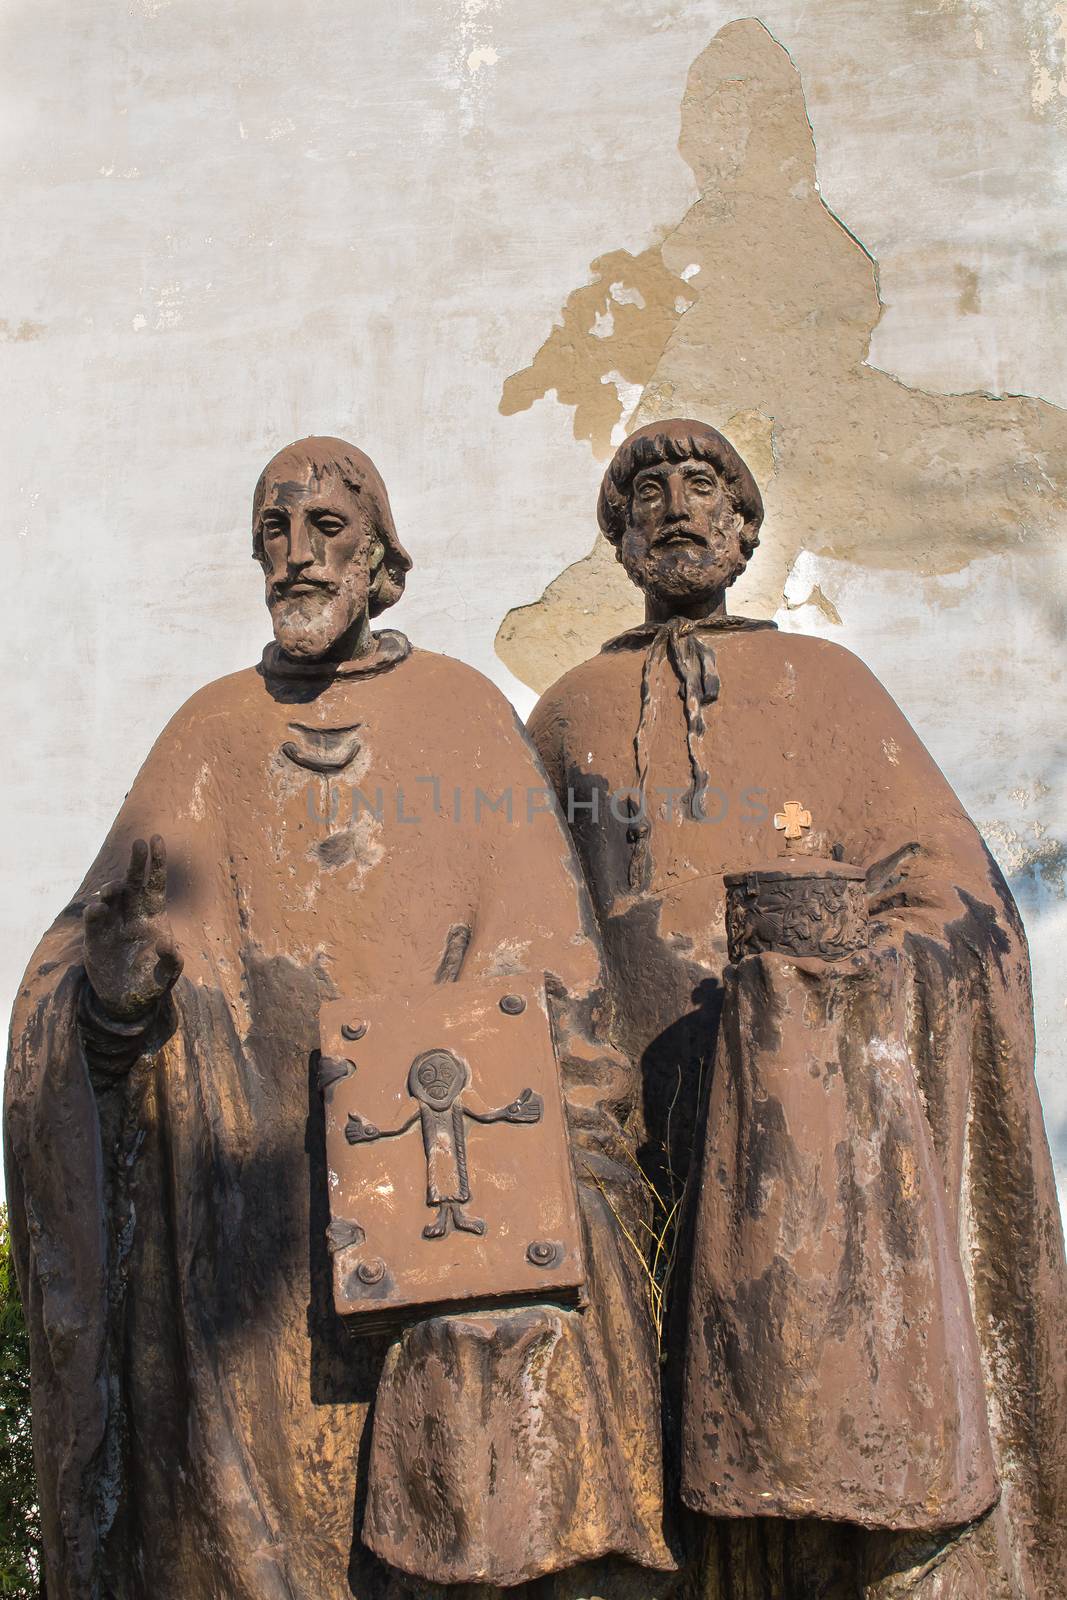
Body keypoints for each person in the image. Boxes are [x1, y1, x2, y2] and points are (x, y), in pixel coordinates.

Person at [5, 438, 673, 1600]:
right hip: (247, 1223)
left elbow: (548, 963)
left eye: (326, 529)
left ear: (380, 560)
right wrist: (107, 1011)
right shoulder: (209, 732)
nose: (298, 556)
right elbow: (82, 957)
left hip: (436, 1185)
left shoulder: (462, 713)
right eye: (275, 530)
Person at [527, 418, 1067, 1597]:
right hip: (634, 1139)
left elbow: (959, 899)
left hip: (808, 1140)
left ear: (743, 527)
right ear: (618, 540)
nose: (673, 505)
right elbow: (519, 917)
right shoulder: (568, 711)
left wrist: (845, 976)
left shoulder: (826, 683)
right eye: (645, 491)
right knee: (656, 1454)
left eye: (701, 484)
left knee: (806, 1433)